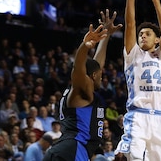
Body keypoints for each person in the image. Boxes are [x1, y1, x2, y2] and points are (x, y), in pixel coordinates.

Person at [43, 9, 122, 161]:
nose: (102, 76)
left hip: (69, 151)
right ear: (92, 76)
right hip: (71, 152)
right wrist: (84, 46)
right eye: (100, 75)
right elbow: (78, 70)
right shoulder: (81, 90)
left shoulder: (85, 89)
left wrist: (106, 36)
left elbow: (96, 65)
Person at [114, 0, 161, 160]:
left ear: (157, 40)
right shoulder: (133, 55)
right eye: (141, 34)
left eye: (147, 33)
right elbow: (130, 24)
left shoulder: (160, 58)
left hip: (159, 119)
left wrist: (157, 2)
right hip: (138, 116)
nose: (143, 35)